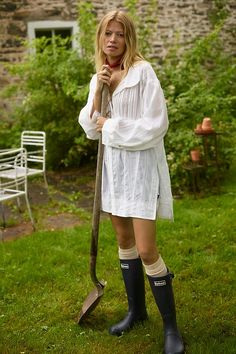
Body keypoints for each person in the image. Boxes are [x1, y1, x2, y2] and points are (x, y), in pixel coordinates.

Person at [79, 10, 184, 354]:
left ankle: (171, 328)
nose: (112, 40)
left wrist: (110, 127)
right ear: (100, 38)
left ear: (129, 38)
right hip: (115, 172)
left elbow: (155, 126)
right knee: (124, 241)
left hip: (140, 170)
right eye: (107, 34)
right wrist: (99, 94)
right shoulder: (101, 77)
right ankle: (136, 311)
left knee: (146, 249)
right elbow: (91, 127)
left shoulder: (143, 73)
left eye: (119, 34)